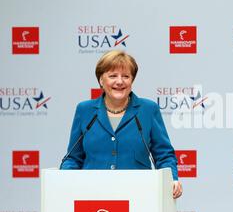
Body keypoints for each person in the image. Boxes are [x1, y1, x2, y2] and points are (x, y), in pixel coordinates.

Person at [61, 50, 182, 199]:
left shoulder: (148, 110)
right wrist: (63, 181)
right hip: (92, 197)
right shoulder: (85, 110)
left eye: (126, 76)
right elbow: (73, 158)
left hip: (139, 195)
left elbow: (164, 155)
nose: (120, 81)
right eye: (113, 76)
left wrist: (172, 179)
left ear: (132, 80)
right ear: (101, 80)